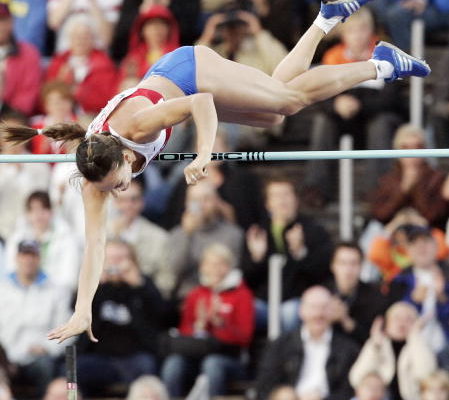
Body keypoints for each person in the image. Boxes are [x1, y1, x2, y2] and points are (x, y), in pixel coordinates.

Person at [1, 0, 430, 344]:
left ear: (118, 156)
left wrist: (204, 154)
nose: (119, 192)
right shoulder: (93, 178)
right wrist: (82, 310)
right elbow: (94, 246)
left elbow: (200, 103)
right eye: (113, 190)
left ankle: (381, 65)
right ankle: (325, 19)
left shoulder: (134, 125)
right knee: (277, 111)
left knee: (285, 101)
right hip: (180, 93)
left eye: (118, 183)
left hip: (188, 72)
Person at [161, 243, 254, 397]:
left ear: (229, 267)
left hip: (229, 358)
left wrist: (219, 323)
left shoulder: (242, 295)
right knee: (174, 364)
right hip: (195, 355)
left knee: (212, 364)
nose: (215, 269)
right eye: (210, 264)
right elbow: (184, 331)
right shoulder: (195, 295)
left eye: (220, 264)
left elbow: (244, 337)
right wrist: (200, 325)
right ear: (202, 267)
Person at [243, 175, 333, 332]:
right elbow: (247, 278)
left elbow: (321, 272)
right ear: (267, 204)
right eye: (276, 196)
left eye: (286, 195)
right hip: (263, 303)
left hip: (297, 301)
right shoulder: (257, 233)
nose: (282, 201)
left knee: (291, 313)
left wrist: (300, 253)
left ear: (296, 199)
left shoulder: (313, 231)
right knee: (243, 310)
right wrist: (257, 258)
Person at [76, 239, 165, 396]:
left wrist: (139, 285)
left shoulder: (143, 284)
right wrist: (96, 286)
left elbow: (164, 314)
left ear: (132, 261)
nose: (114, 265)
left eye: (120, 259)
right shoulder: (94, 285)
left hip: (135, 356)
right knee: (74, 370)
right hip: (101, 358)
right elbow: (77, 313)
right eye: (110, 259)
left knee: (147, 367)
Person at [255, 286, 360, 400]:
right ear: (301, 310)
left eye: (324, 308)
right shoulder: (280, 345)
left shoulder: (348, 349)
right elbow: (264, 385)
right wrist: (282, 394)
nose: (318, 314)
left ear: (332, 312)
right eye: (313, 308)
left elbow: (349, 390)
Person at [0, 240, 72, 396]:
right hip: (5, 354)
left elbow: (67, 329)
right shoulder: (2, 288)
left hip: (39, 354)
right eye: (24, 255)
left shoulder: (56, 290)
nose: (28, 260)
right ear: (17, 258)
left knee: (44, 366)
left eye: (33, 255)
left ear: (39, 258)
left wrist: (46, 347)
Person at [349, 302, 437, 400]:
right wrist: (375, 346)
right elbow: (357, 378)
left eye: (408, 319)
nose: (402, 323)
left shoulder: (419, 344)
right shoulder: (377, 343)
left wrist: (415, 337)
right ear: (387, 323)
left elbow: (426, 374)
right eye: (397, 318)